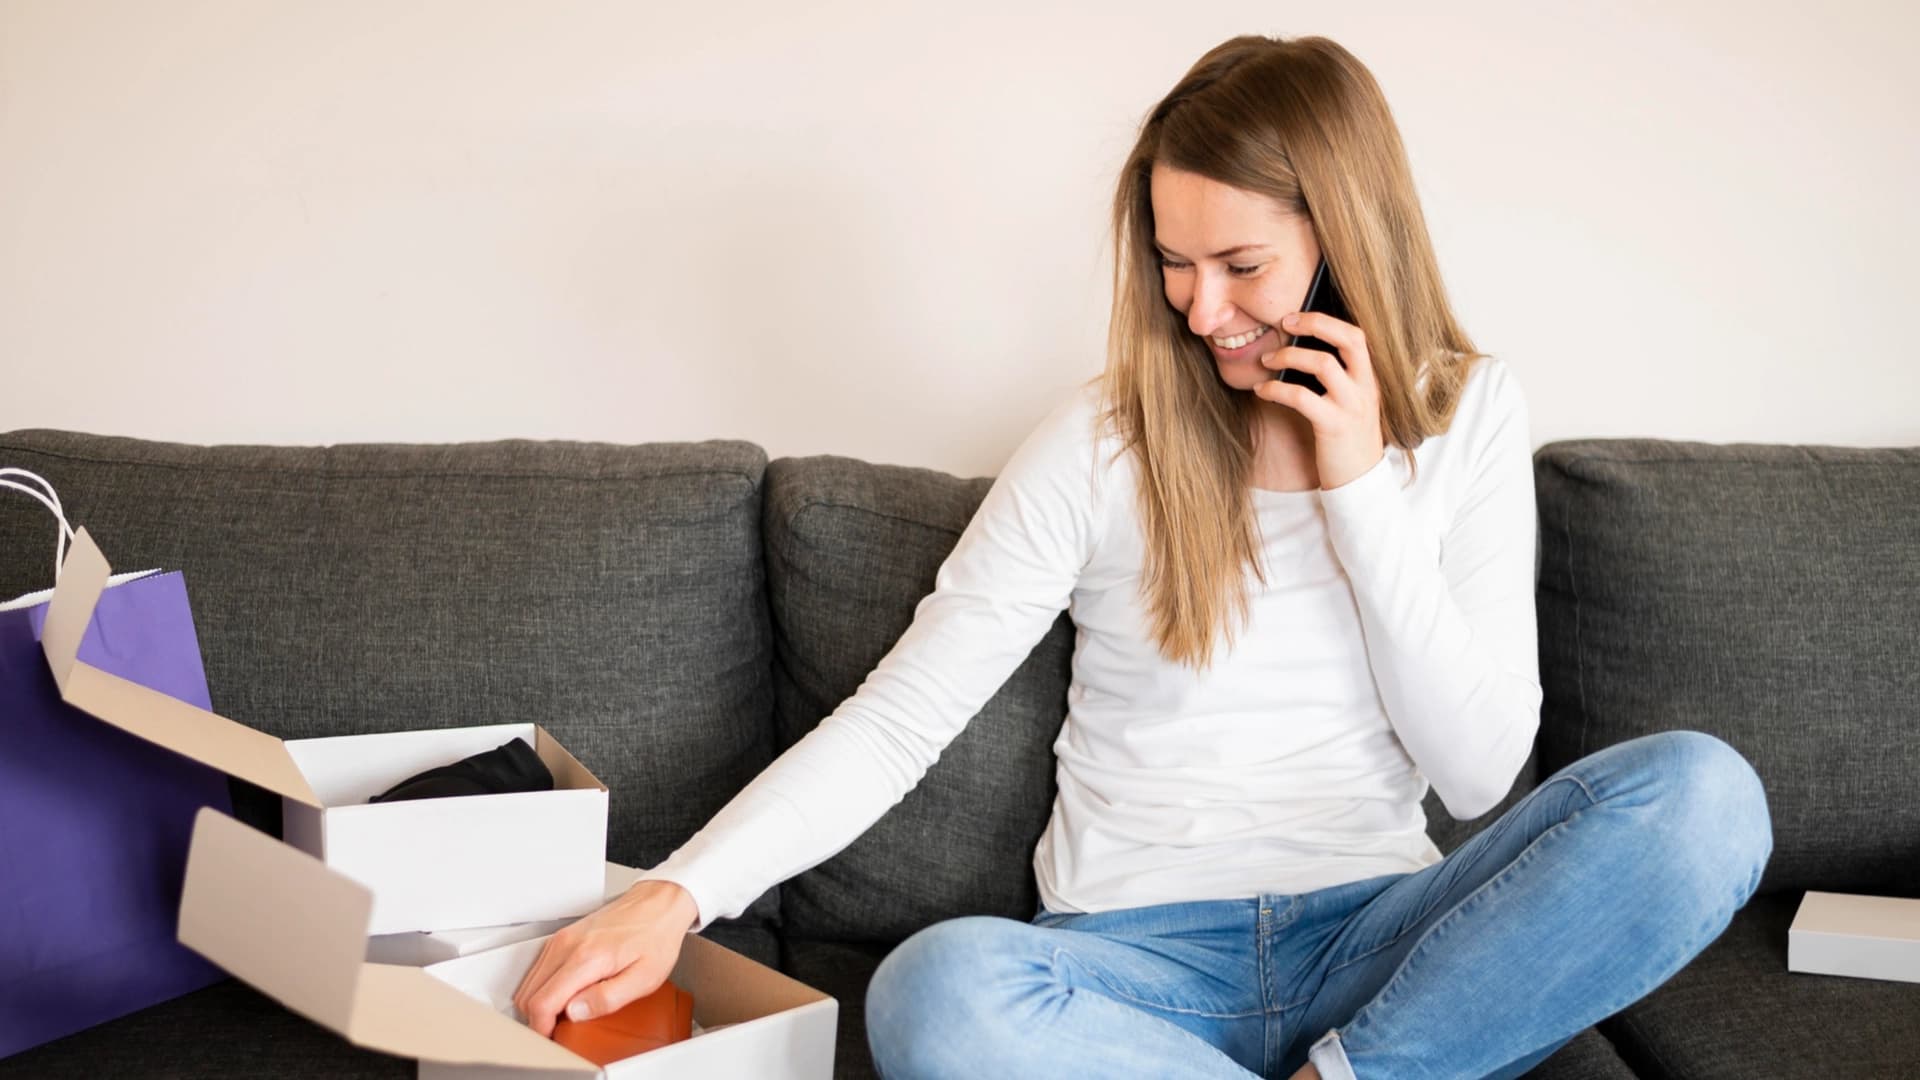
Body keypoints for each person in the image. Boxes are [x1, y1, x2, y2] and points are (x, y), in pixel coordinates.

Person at [513, 33, 1772, 1079]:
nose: (1202, 310)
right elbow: (904, 717)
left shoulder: (1467, 416)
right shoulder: (1098, 441)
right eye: (1173, 264)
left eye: (1242, 266)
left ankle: (1359, 1070)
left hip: (1388, 943)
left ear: (1345, 240)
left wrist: (1358, 488)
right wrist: (674, 895)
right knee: (933, 996)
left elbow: (1482, 770)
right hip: (1127, 963)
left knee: (1706, 799)